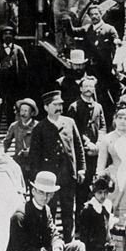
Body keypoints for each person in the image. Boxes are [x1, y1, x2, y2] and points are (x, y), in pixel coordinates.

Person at [28, 91, 86, 240]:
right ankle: (50, 242)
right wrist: (37, 181)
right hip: (49, 180)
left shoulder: (69, 122)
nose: (59, 107)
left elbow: (78, 147)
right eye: (55, 105)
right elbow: (34, 157)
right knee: (49, 211)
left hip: (68, 176)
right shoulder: (40, 128)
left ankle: (69, 242)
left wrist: (81, 169)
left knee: (69, 211)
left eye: (60, 104)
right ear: (46, 107)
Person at [95, 107, 126, 243]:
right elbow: (100, 164)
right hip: (113, 179)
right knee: (111, 215)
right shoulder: (107, 138)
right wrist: (99, 182)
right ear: (115, 120)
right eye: (120, 118)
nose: (123, 121)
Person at [68, 77, 104, 211]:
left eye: (91, 86)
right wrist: (88, 143)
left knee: (95, 187)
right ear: (81, 88)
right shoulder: (74, 107)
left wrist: (99, 143)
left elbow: (103, 127)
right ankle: (79, 223)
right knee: (81, 190)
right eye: (86, 86)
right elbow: (74, 129)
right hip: (82, 153)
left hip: (96, 153)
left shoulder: (98, 107)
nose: (89, 89)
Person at [0, 25, 28, 128]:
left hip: (13, 85)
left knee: (11, 108)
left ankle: (10, 131)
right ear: (2, 36)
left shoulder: (18, 49)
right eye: (5, 34)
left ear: (13, 36)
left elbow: (24, 66)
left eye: (10, 34)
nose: (8, 36)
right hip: (0, 84)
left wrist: (21, 82)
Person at [3, 97, 39, 182]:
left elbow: (42, 145)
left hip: (33, 164)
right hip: (18, 163)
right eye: (22, 110)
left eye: (26, 111)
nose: (23, 113)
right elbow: (6, 143)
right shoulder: (14, 126)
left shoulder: (38, 126)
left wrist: (30, 150)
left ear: (32, 113)